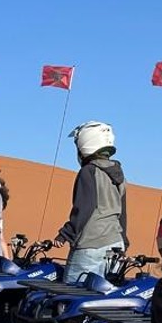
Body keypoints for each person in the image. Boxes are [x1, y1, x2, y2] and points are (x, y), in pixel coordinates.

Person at [55, 121, 128, 283]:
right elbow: (122, 213)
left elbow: (84, 208)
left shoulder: (89, 172)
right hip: (115, 244)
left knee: (72, 296)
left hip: (91, 244)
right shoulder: (120, 175)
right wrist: (124, 241)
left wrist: (65, 234)